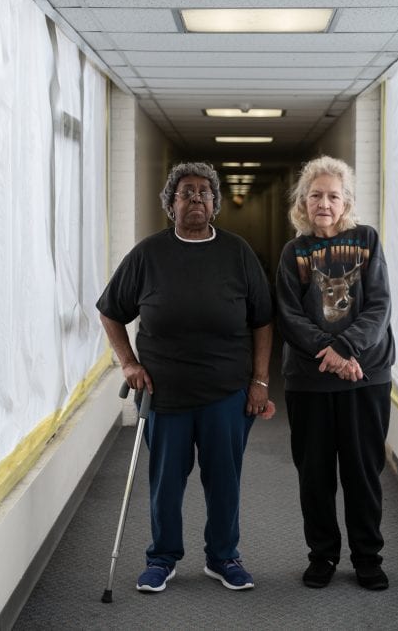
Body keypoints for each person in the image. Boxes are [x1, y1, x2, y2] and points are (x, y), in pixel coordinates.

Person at [96, 162, 275, 594]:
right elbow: (110, 310)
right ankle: (162, 558)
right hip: (165, 394)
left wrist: (260, 381)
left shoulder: (237, 253)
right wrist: (128, 363)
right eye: (185, 193)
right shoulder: (148, 254)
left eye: (203, 193)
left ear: (214, 204)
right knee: (165, 483)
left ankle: (223, 557)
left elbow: (263, 320)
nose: (195, 199)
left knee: (224, 480)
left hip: (225, 392)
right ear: (170, 203)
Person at [275, 156, 395, 591]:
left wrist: (345, 349)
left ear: (346, 203)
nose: (323, 203)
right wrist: (329, 353)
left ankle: (368, 558)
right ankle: (322, 555)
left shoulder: (366, 240)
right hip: (310, 381)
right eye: (315, 196)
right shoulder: (294, 252)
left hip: (367, 375)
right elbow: (289, 315)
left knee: (363, 473)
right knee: (316, 474)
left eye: (332, 196)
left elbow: (379, 305)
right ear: (302, 204)